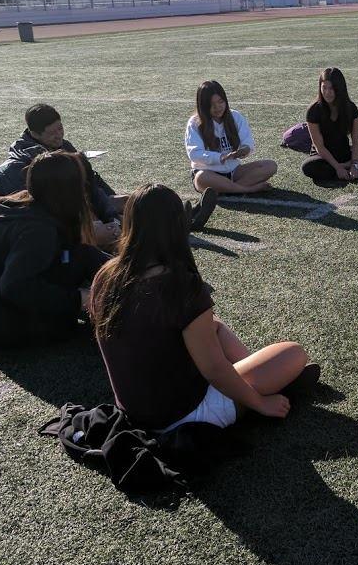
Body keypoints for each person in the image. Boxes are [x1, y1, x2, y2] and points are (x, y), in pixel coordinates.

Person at [90, 183, 319, 433]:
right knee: (293, 353)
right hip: (183, 416)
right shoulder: (179, 285)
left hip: (135, 412)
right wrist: (260, 402)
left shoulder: (105, 275)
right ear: (178, 226)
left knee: (213, 325)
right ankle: (272, 384)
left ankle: (265, 375)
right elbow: (214, 370)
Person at [0, 151, 108, 345]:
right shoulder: (37, 230)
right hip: (3, 327)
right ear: (68, 190)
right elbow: (15, 287)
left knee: (82, 254)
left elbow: (73, 251)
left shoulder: (25, 205)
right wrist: (78, 299)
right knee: (78, 259)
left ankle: (135, 279)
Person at [0, 104, 124, 244]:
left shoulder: (64, 147)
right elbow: (43, 215)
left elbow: (90, 185)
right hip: (5, 240)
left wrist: (113, 220)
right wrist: (89, 232)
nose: (59, 135)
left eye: (60, 128)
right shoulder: (17, 170)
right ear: (34, 134)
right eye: (52, 133)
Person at [186, 80, 278, 230]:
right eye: (212, 104)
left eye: (220, 101)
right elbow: (194, 154)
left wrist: (244, 150)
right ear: (203, 105)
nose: (217, 107)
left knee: (270, 165)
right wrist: (220, 157)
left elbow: (248, 142)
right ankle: (248, 189)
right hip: (209, 174)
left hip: (234, 172)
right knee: (201, 178)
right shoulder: (195, 123)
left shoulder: (235, 116)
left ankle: (227, 190)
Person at [302, 68, 358, 182]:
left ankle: (346, 167)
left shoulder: (350, 108)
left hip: (345, 153)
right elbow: (319, 147)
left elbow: (356, 141)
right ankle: (341, 168)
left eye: (332, 88)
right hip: (323, 157)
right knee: (308, 167)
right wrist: (338, 167)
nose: (327, 92)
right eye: (324, 87)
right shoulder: (314, 110)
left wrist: (355, 164)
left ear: (340, 89)